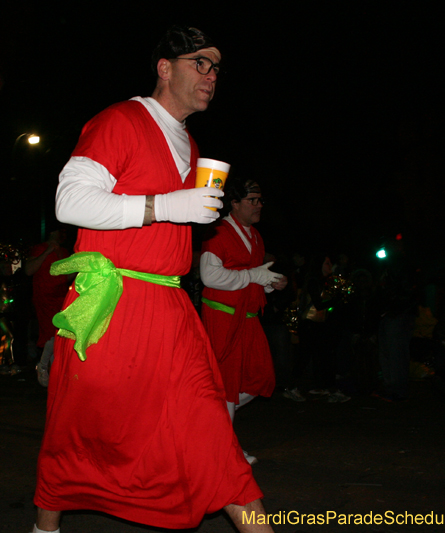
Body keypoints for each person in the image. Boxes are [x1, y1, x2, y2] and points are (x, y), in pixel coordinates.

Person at [33, 26, 273, 533]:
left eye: (216, 67)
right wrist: (166, 206)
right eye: (199, 63)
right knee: (80, 431)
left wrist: (188, 213)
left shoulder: (189, 141)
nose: (211, 75)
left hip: (170, 305)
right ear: (164, 67)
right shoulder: (120, 119)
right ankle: (44, 526)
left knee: (210, 428)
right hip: (111, 302)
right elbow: (69, 202)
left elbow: (169, 220)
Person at [200, 177, 286, 464]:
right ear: (234, 203)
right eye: (252, 200)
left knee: (259, 379)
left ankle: (210, 427)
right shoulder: (217, 233)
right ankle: (225, 452)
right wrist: (253, 276)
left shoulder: (256, 236)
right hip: (223, 319)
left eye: (260, 200)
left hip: (247, 319)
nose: (259, 205)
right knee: (228, 384)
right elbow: (209, 277)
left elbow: (250, 277)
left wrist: (268, 283)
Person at [26, 226, 72, 387]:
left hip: (61, 298)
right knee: (52, 334)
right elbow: (28, 270)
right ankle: (44, 365)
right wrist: (46, 252)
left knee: (60, 335)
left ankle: (54, 374)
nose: (62, 235)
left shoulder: (64, 252)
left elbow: (69, 276)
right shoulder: (39, 248)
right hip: (44, 298)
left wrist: (60, 254)